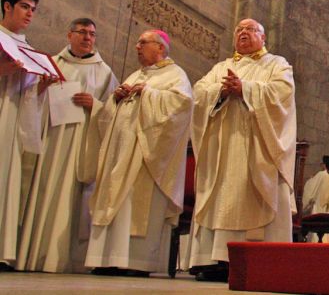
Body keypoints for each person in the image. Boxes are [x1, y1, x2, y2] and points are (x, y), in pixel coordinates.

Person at [189, 18, 296, 281]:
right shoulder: (221, 67)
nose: (243, 33)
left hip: (256, 147)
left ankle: (253, 259)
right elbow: (199, 92)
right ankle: (213, 259)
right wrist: (221, 92)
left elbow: (282, 92)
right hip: (222, 148)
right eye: (238, 29)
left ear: (263, 38)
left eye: (250, 29)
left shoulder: (276, 64)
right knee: (219, 192)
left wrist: (245, 89)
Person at [85, 29, 193, 277]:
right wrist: (116, 98)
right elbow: (111, 114)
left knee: (136, 205)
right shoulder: (135, 74)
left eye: (143, 43)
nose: (137, 47)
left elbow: (182, 105)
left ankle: (135, 262)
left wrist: (148, 93)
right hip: (120, 151)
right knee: (114, 200)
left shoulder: (176, 75)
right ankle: (106, 259)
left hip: (146, 156)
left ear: (160, 48)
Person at [16, 18, 119, 273]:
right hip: (50, 138)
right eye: (82, 32)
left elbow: (114, 113)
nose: (87, 38)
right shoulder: (51, 64)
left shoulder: (104, 72)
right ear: (69, 35)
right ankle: (31, 254)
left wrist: (94, 104)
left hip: (80, 143)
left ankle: (60, 258)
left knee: (70, 197)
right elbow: (28, 98)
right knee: (40, 190)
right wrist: (40, 88)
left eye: (92, 34)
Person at [0, 0, 47, 271]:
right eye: (24, 7)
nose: (30, 13)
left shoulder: (28, 46)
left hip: (14, 117)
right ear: (7, 6)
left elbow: (27, 89)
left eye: (33, 9)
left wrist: (42, 85)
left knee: (7, 178)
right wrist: (5, 70)